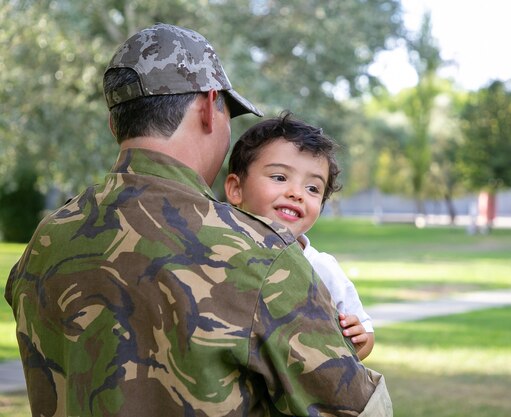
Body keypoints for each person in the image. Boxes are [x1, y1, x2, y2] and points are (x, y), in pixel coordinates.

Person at [4, 23, 392, 416]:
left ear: (113, 124)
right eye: (228, 114)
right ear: (209, 107)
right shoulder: (261, 253)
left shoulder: (47, 241)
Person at [224, 111, 375, 360]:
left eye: (313, 188)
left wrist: (358, 339)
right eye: (280, 177)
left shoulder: (321, 268)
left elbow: (365, 334)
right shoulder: (221, 252)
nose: (297, 193)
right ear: (236, 188)